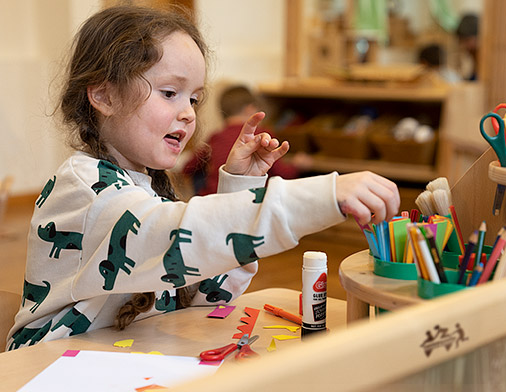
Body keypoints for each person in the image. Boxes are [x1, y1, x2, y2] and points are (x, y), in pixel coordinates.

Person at [7, 5, 400, 350]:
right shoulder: (87, 190)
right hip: (47, 375)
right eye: (168, 93)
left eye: (193, 98)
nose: (188, 113)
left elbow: (209, 295)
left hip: (118, 361)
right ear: (105, 97)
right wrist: (326, 193)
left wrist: (240, 186)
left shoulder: (144, 185)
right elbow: (181, 235)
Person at [184, 85, 310, 195]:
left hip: (211, 199)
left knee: (200, 177)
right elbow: (282, 174)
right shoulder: (262, 135)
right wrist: (297, 165)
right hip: (247, 202)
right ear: (249, 109)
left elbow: (188, 167)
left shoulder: (216, 136)